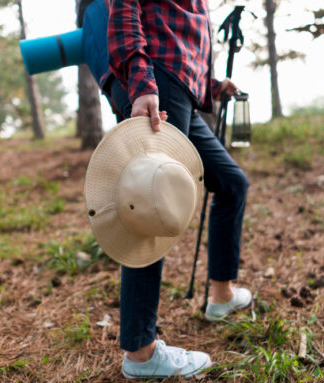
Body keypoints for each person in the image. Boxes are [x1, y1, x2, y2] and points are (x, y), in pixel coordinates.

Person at [107, 0, 251, 379]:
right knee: (151, 205)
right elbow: (123, 8)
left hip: (180, 87)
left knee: (231, 182)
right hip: (157, 81)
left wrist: (213, 86)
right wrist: (141, 82)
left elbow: (183, 35)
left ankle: (220, 296)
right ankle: (141, 352)